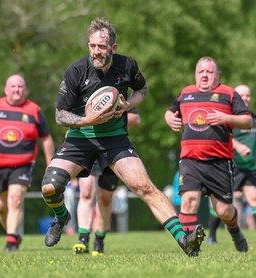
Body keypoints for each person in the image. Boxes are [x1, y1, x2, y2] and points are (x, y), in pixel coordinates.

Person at [40, 18, 203, 257]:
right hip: (80, 139)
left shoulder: (127, 66)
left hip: (115, 139)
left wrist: (128, 105)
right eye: (93, 46)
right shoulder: (76, 71)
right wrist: (88, 120)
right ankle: (62, 217)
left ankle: (184, 240)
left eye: (102, 47)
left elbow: (143, 90)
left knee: (144, 187)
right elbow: (59, 115)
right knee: (50, 186)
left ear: (113, 48)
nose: (97, 52)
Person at [164, 56, 252, 252]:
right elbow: (170, 111)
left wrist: (226, 118)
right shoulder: (186, 93)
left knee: (224, 211)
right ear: (195, 74)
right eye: (200, 71)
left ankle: (235, 231)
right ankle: (190, 248)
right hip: (190, 160)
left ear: (217, 74)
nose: (204, 75)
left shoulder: (228, 94)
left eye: (209, 72)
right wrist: (170, 118)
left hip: (219, 162)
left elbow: (247, 121)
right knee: (188, 201)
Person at [0, 74, 55, 252]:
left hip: (23, 164)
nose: (17, 90)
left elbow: (46, 138)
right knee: (1, 207)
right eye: (13, 86)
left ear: (25, 90)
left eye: (20, 86)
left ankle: (10, 242)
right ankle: (14, 234)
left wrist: (50, 162)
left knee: (15, 199)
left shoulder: (34, 110)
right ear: (5, 89)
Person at [207, 84, 256, 245]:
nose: (245, 98)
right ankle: (212, 236)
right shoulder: (227, 117)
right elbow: (221, 137)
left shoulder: (253, 118)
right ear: (235, 97)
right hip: (230, 166)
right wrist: (238, 146)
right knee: (221, 204)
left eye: (248, 95)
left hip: (249, 168)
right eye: (242, 95)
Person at [73, 108, 141, 256]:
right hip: (88, 146)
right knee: (86, 192)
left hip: (113, 147)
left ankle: (99, 238)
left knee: (105, 198)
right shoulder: (83, 88)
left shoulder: (116, 91)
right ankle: (83, 239)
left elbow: (136, 119)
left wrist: (109, 118)